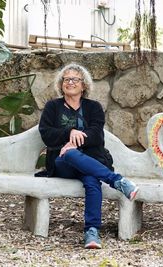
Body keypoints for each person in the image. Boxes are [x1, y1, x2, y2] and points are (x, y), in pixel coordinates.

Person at [38, 63, 139, 249]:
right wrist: (70, 133)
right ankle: (117, 181)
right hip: (62, 163)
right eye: (66, 79)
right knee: (68, 154)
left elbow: (97, 135)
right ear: (61, 85)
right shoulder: (53, 107)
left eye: (75, 79)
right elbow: (46, 133)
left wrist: (75, 142)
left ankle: (92, 232)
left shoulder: (94, 107)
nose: (70, 82)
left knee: (92, 180)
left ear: (83, 85)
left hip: (91, 161)